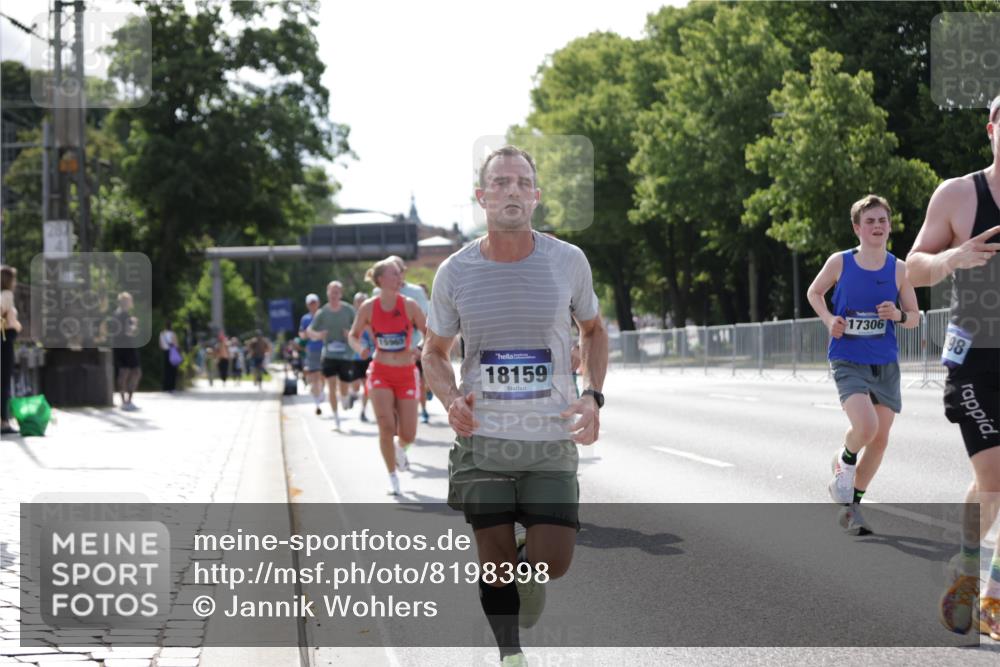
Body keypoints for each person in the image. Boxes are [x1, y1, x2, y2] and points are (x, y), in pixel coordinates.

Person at [421, 145, 608, 666]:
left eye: (522, 182)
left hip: (550, 436)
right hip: (483, 438)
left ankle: (526, 564)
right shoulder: (455, 272)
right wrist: (451, 399)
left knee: (552, 561)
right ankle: (511, 656)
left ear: (537, 197)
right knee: (495, 560)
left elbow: (593, 330)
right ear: (481, 197)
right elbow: (432, 353)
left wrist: (592, 395)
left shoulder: (568, 261)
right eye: (500, 182)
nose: (511, 191)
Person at [906, 94, 1000, 640]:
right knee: (994, 476)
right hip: (975, 361)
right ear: (991, 130)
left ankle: (992, 594)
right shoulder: (960, 195)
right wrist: (950, 258)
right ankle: (967, 564)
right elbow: (913, 268)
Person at [806, 194, 919, 535]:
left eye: (882, 220)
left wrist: (897, 314)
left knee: (880, 439)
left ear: (889, 226)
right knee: (866, 427)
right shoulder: (840, 262)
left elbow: (914, 318)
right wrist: (829, 320)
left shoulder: (899, 268)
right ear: (857, 228)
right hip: (848, 358)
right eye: (869, 221)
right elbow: (814, 293)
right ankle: (845, 458)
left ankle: (852, 506)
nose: (877, 226)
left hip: (884, 362)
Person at [349, 258, 427, 496]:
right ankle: (393, 476)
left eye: (399, 274)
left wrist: (420, 349)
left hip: (405, 373)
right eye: (394, 274)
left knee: (408, 433)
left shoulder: (410, 305)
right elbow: (353, 335)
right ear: (381, 279)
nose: (399, 278)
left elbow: (429, 334)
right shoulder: (368, 308)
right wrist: (359, 348)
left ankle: (400, 448)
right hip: (380, 371)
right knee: (386, 426)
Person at [306, 281, 357, 430]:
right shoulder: (323, 312)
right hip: (329, 354)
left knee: (343, 389)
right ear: (327, 293)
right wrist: (318, 335)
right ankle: (336, 419)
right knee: (331, 386)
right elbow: (310, 331)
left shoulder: (349, 310)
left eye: (337, 292)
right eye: (331, 292)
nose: (334, 295)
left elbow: (360, 327)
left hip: (346, 355)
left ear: (340, 294)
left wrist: (351, 334)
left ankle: (346, 398)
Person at [111, 292, 142, 411]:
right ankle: (127, 401)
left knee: (123, 373)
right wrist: (134, 324)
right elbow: (129, 332)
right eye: (130, 300)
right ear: (125, 302)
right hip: (127, 348)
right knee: (136, 372)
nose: (131, 303)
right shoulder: (125, 316)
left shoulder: (116, 314)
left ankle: (124, 401)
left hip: (118, 347)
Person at [1, 266, 23, 434]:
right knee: (4, 382)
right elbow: (6, 316)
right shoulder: (7, 295)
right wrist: (16, 325)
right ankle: (3, 421)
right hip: (5, 340)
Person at [350, 291, 376, 422]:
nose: (360, 304)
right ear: (355, 303)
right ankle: (353, 395)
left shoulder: (373, 317)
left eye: (363, 301)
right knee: (355, 385)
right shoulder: (352, 317)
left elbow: (376, 337)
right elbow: (349, 337)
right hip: (355, 357)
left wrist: (368, 328)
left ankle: (363, 411)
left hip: (370, 357)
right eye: (358, 301)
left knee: (367, 386)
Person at [299, 293, 326, 414]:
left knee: (323, 375)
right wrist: (306, 334)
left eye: (314, 303)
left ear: (318, 303)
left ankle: (321, 392)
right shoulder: (305, 318)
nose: (313, 305)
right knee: (314, 375)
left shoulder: (324, 315)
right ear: (307, 305)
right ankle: (317, 403)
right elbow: (302, 334)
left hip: (325, 348)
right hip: (312, 349)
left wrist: (319, 335)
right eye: (310, 303)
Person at [159, 322, 179, 392]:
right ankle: (172, 387)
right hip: (172, 352)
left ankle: (165, 387)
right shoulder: (173, 334)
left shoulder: (162, 334)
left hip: (165, 353)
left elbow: (161, 345)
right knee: (173, 371)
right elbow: (176, 344)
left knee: (166, 371)